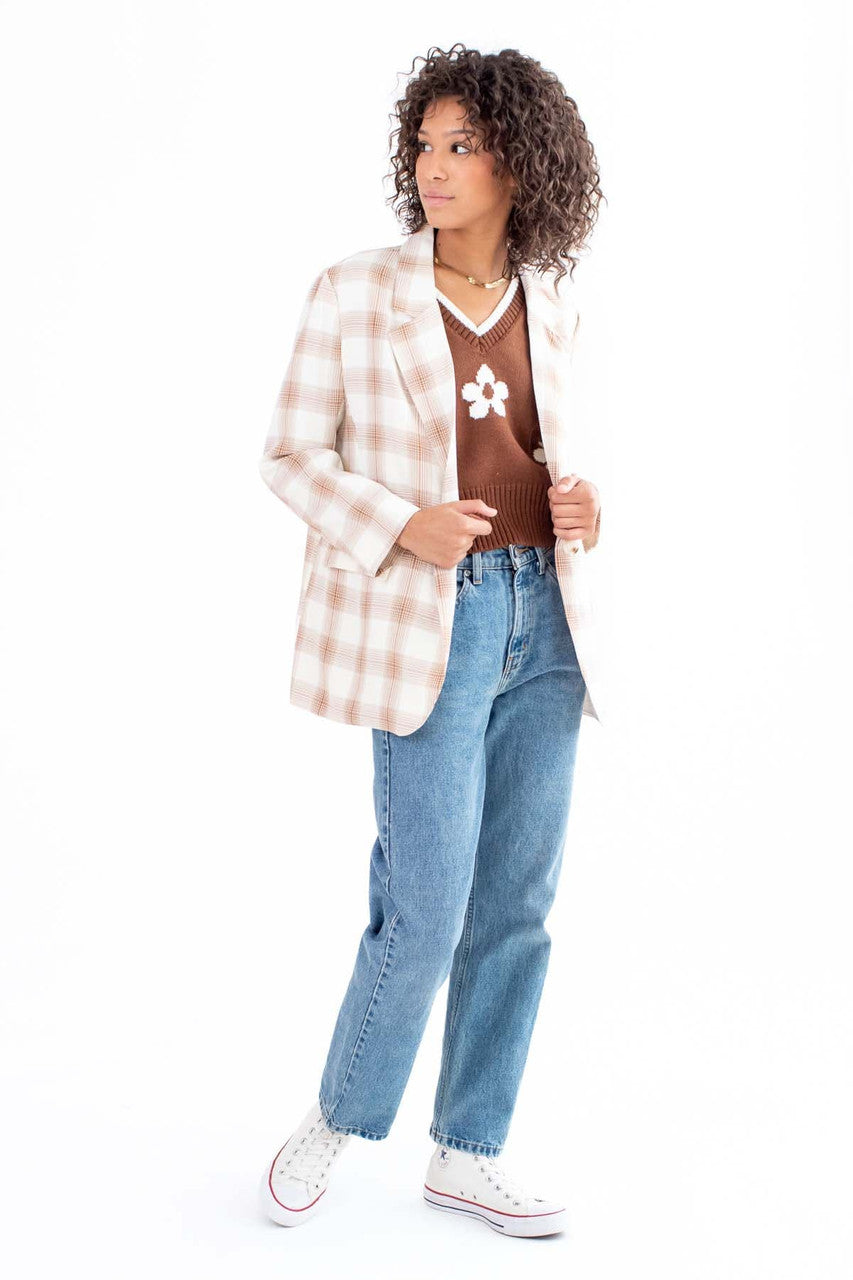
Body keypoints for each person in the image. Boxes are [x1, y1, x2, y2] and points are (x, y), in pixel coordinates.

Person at [257, 43, 605, 1239]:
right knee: (427, 900)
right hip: (431, 620)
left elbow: (544, 450)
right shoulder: (355, 290)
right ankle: (340, 1115)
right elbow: (289, 455)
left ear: (522, 163)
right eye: (425, 143)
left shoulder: (550, 303)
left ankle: (468, 1147)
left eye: (463, 144)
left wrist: (585, 505)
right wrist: (401, 522)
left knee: (517, 901)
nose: (434, 165)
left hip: (545, 618)